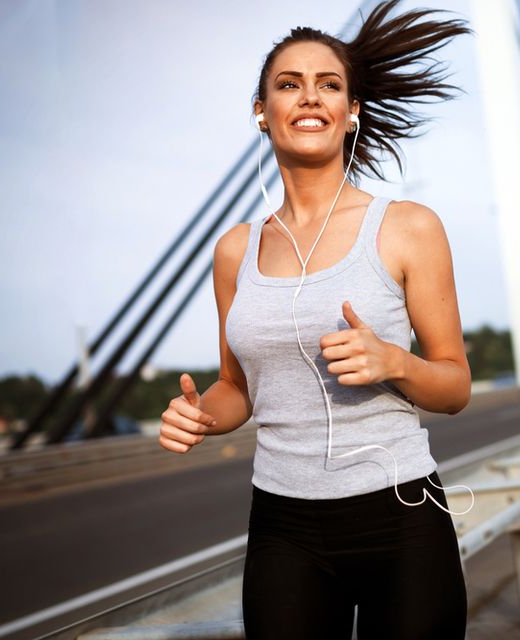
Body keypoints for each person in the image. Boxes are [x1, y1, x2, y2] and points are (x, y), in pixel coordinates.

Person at [158, 2, 473, 638]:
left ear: (351, 111)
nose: (310, 97)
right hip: (284, 528)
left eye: (329, 84)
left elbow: (455, 386)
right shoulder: (234, 252)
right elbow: (236, 389)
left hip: (403, 517)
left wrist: (395, 362)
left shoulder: (408, 227)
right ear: (262, 111)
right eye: (288, 84)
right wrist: (200, 416)